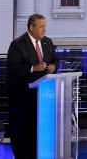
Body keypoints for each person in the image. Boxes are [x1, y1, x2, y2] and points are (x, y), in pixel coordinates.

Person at [7, 14, 58, 159]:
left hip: (43, 96)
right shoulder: (17, 44)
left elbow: (55, 59)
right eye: (41, 26)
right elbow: (13, 67)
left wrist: (53, 66)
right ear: (31, 27)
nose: (44, 29)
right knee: (23, 132)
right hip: (23, 97)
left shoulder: (47, 42)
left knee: (39, 130)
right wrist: (32, 68)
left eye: (45, 26)